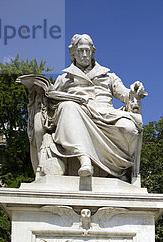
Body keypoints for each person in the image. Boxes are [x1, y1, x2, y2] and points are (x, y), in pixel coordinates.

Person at [49, 34, 146, 179]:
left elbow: (125, 95)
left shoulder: (108, 76)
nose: (84, 55)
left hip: (107, 115)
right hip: (78, 113)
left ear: (92, 52)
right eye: (80, 51)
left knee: (129, 128)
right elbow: (51, 100)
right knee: (68, 107)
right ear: (73, 53)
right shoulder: (64, 78)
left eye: (87, 51)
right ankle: (84, 159)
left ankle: (121, 171)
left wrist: (134, 91)